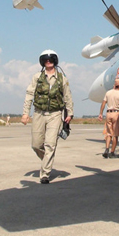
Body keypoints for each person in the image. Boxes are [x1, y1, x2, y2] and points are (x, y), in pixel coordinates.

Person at [21, 50, 74, 184]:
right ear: (42, 62)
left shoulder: (62, 78)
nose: (48, 62)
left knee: (50, 144)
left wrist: (70, 113)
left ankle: (45, 173)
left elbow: (67, 96)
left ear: (55, 61)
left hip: (55, 114)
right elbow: (29, 94)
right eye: (45, 60)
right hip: (39, 113)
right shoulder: (37, 77)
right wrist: (25, 113)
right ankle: (47, 159)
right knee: (36, 144)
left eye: (50, 60)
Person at [98, 77, 119, 158]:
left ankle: (106, 149)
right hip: (116, 113)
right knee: (115, 134)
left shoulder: (108, 93)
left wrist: (100, 113)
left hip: (108, 113)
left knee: (109, 134)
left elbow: (103, 103)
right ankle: (112, 152)